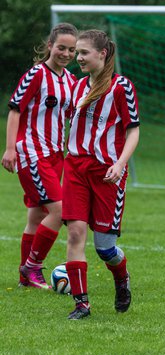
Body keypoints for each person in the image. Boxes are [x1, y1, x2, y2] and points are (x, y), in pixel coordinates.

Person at [62, 29, 140, 320]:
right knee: (75, 233)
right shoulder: (77, 87)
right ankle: (82, 304)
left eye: (83, 52)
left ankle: (122, 279)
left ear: (102, 54)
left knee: (105, 248)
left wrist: (120, 164)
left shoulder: (121, 87)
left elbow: (134, 130)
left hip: (108, 172)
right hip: (76, 168)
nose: (77, 57)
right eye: (76, 52)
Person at [1, 23, 78, 289]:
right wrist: (10, 148)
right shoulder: (35, 74)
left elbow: (69, 117)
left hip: (56, 154)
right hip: (32, 152)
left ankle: (26, 278)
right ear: (49, 46)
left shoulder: (70, 81)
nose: (66, 54)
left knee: (36, 215)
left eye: (71, 50)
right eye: (61, 48)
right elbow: (15, 110)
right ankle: (32, 268)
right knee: (59, 210)